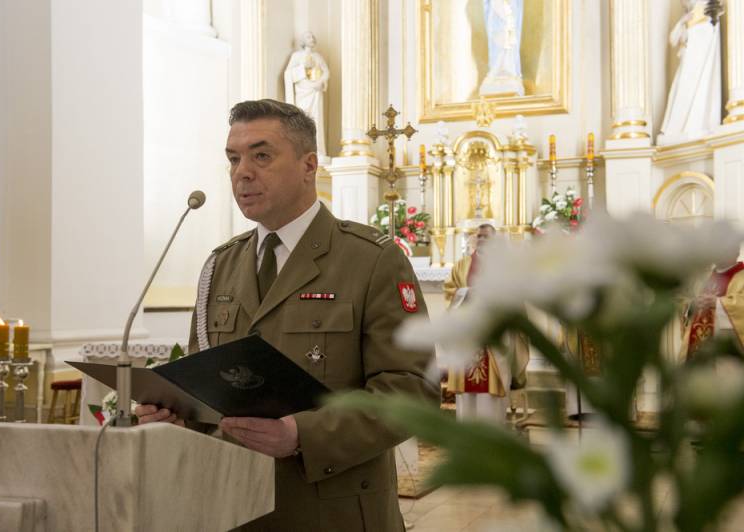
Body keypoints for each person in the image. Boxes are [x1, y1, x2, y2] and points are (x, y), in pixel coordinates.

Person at [136, 99, 438, 531]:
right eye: (233, 158)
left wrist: (302, 435)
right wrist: (177, 414)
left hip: (331, 512)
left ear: (309, 165)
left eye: (261, 156)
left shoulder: (371, 260)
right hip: (234, 506)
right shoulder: (220, 265)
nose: (242, 172)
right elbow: (202, 386)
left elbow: (412, 392)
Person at [443, 224, 528, 423]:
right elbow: (450, 292)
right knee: (467, 391)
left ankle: (493, 432)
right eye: (479, 236)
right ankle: (467, 433)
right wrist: (466, 293)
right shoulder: (461, 266)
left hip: (496, 333)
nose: (482, 240)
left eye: (487, 237)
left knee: (492, 392)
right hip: (467, 333)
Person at [658, 0, 721, 145]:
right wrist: (682, 21)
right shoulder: (689, 17)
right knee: (680, 93)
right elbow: (673, 39)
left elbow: (707, 43)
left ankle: (694, 125)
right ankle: (674, 129)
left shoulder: (707, 15)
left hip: (699, 63)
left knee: (698, 90)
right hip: (687, 63)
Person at [681, 243, 744, 360]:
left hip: (729, 348)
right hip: (698, 345)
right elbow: (690, 304)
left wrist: (718, 303)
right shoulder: (705, 277)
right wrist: (694, 305)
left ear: (736, 252)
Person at [283, 31, 330, 159]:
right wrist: (302, 69)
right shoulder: (297, 56)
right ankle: (301, 150)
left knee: (316, 119)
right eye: (309, 37)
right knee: (302, 118)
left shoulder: (318, 57)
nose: (312, 38)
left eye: (313, 36)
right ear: (303, 41)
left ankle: (318, 150)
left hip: (315, 91)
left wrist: (320, 82)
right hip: (302, 91)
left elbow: (326, 72)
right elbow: (288, 73)